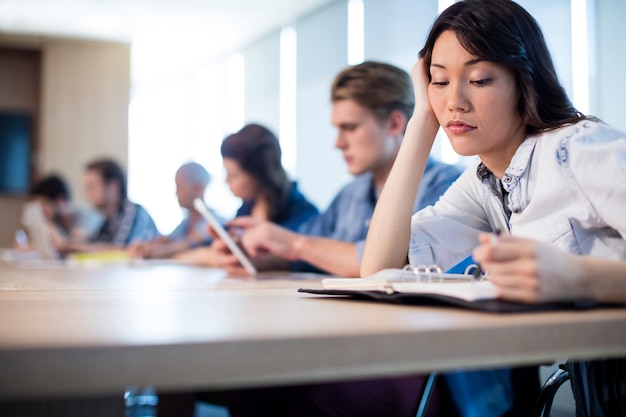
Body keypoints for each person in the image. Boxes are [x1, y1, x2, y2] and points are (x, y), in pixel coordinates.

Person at [361, 0, 626, 416]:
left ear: (525, 81)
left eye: (480, 80)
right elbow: (378, 268)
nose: (455, 102)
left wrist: (579, 277)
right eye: (439, 81)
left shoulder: (578, 149)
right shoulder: (484, 179)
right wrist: (421, 124)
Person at [218, 61, 462, 278]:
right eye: (337, 128)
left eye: (350, 127)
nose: (338, 143)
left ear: (394, 123)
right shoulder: (350, 195)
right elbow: (310, 252)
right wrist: (256, 258)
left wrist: (295, 244)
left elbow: (400, 267)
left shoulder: (447, 188)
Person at [174, 123, 319, 267]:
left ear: (259, 174)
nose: (226, 181)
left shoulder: (304, 215)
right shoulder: (247, 208)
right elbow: (216, 245)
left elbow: (303, 258)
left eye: (233, 175)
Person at [129, 161, 217, 259]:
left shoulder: (214, 221)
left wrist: (158, 251)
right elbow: (168, 239)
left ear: (198, 188)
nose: (176, 193)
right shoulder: (185, 223)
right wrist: (146, 245)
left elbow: (191, 242)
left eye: (180, 187)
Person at [69, 158, 159, 251]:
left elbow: (124, 249)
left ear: (113, 186)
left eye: (92, 186)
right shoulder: (109, 218)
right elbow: (95, 242)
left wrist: (81, 248)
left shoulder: (133, 212)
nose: (87, 193)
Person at [20, 174, 102, 250]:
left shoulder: (88, 216)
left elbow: (73, 244)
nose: (40, 210)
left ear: (60, 200)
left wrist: (49, 228)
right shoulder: (56, 220)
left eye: (43, 204)